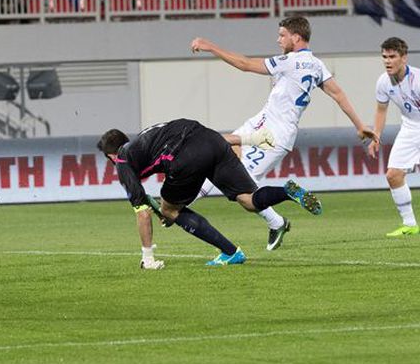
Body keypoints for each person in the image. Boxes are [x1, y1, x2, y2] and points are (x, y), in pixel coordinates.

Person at [190, 16, 378, 250]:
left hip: (273, 136)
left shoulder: (290, 61)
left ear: (296, 37)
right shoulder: (317, 65)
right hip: (260, 123)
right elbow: (338, 94)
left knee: (244, 195)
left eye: (282, 35)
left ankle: (171, 208)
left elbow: (246, 64)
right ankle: (276, 222)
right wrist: (359, 125)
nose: (278, 39)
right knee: (219, 155)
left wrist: (210, 46)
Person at [97, 119, 321, 268]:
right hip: (210, 139)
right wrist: (250, 139)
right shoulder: (146, 137)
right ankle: (287, 191)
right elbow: (202, 137)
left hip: (185, 155)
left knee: (170, 209)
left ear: (111, 156)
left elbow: (143, 212)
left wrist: (148, 257)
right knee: (249, 200)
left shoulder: (123, 160)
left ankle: (231, 252)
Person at [368, 38, 420, 237]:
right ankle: (409, 224)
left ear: (404, 58)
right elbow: (381, 110)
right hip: (409, 127)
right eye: (384, 57)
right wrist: (376, 136)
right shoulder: (383, 82)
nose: (387, 61)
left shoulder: (417, 80)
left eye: (392, 57)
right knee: (393, 175)